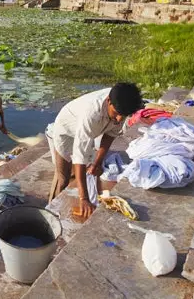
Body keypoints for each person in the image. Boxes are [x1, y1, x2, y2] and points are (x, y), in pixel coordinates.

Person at [49, 83, 143, 219]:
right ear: (108, 102)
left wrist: (98, 162)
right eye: (116, 114)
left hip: (89, 131)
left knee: (84, 172)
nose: (119, 120)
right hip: (66, 131)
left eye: (124, 116)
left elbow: (110, 135)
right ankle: (51, 212)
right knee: (63, 177)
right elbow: (79, 157)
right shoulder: (92, 113)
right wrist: (84, 198)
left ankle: (67, 205)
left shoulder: (121, 106)